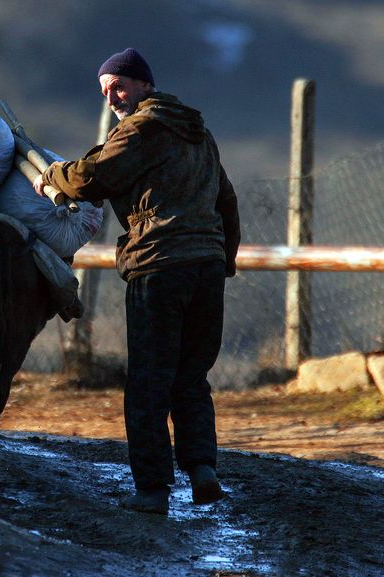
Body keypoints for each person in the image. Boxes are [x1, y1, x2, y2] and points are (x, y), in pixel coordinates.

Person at [33, 48, 241, 515]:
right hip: (206, 268)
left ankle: (151, 490)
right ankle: (202, 470)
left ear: (145, 84)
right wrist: (222, 261)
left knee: (149, 379)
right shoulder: (198, 132)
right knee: (191, 377)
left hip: (159, 265)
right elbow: (226, 201)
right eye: (105, 91)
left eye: (119, 86)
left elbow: (92, 177)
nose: (112, 98)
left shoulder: (142, 129)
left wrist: (51, 176)